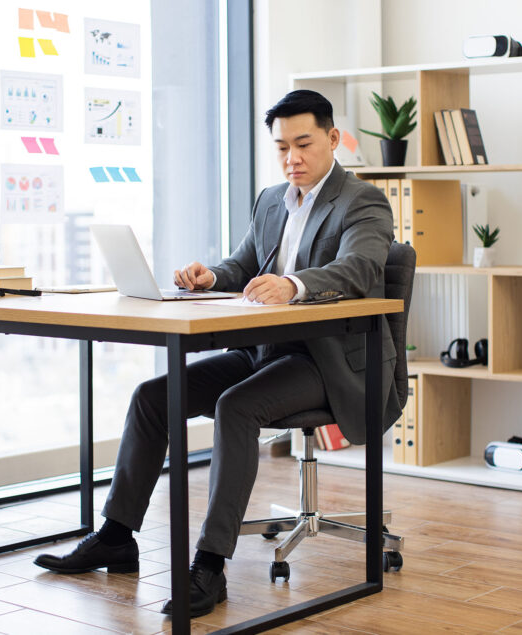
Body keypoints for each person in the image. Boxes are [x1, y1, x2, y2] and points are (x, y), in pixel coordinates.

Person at [34, 89, 400, 617]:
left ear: (333, 139)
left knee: (236, 407)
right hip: (267, 351)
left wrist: (293, 285)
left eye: (303, 144)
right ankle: (116, 536)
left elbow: (360, 270)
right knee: (153, 397)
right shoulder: (273, 200)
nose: (291, 158)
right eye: (281, 147)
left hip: (329, 359)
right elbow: (244, 263)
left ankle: (209, 564)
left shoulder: (362, 201)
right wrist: (210, 277)